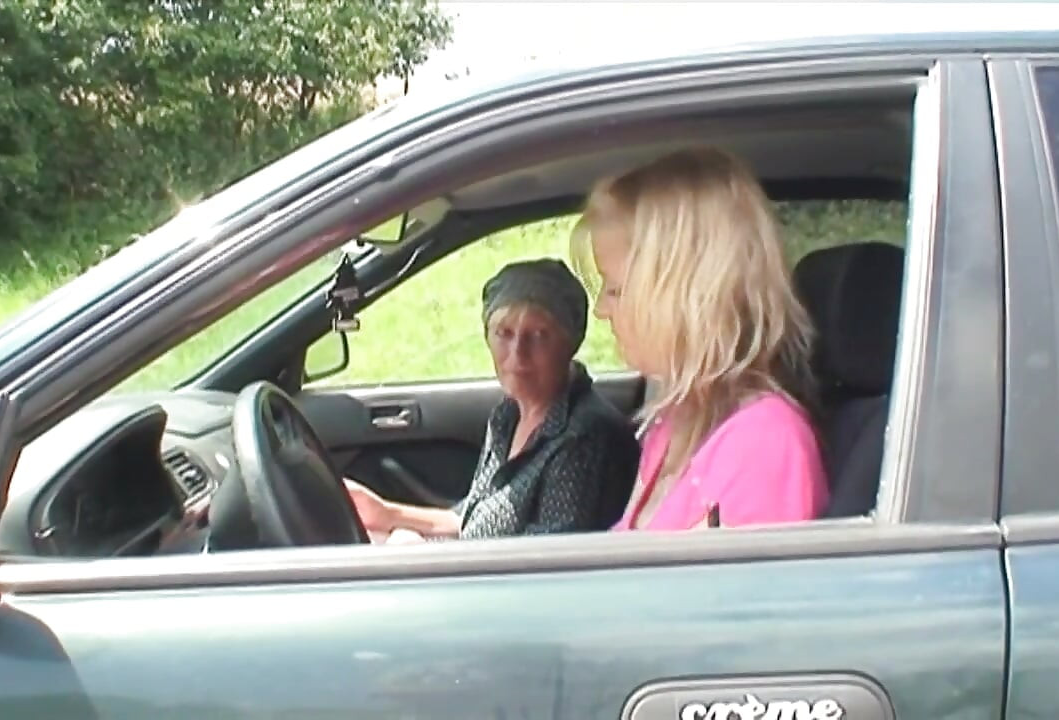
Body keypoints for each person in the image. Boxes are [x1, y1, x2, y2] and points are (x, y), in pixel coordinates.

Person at [572, 146, 829, 531]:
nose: (601, 311)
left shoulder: (763, 445)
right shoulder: (677, 421)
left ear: (684, 296)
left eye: (616, 289)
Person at [345, 258, 639, 543]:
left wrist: (422, 559)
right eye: (504, 333)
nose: (517, 355)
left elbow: (546, 566)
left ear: (571, 342)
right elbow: (474, 522)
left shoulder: (585, 439)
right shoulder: (508, 416)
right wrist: (386, 513)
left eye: (538, 335)